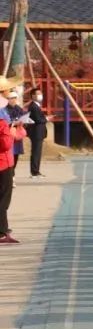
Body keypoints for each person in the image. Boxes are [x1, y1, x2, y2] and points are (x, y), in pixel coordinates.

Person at [0, 85, 17, 244]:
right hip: (3, 163)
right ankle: (2, 231)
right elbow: (5, 144)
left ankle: (3, 230)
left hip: (5, 161)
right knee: (3, 200)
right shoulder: (2, 122)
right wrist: (11, 134)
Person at [25, 86, 48, 178]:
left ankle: (36, 170)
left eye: (40, 93)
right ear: (33, 96)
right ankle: (34, 172)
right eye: (38, 94)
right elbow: (38, 119)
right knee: (36, 152)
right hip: (36, 132)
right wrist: (46, 118)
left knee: (37, 152)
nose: (40, 95)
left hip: (39, 132)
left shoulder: (37, 106)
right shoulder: (33, 106)